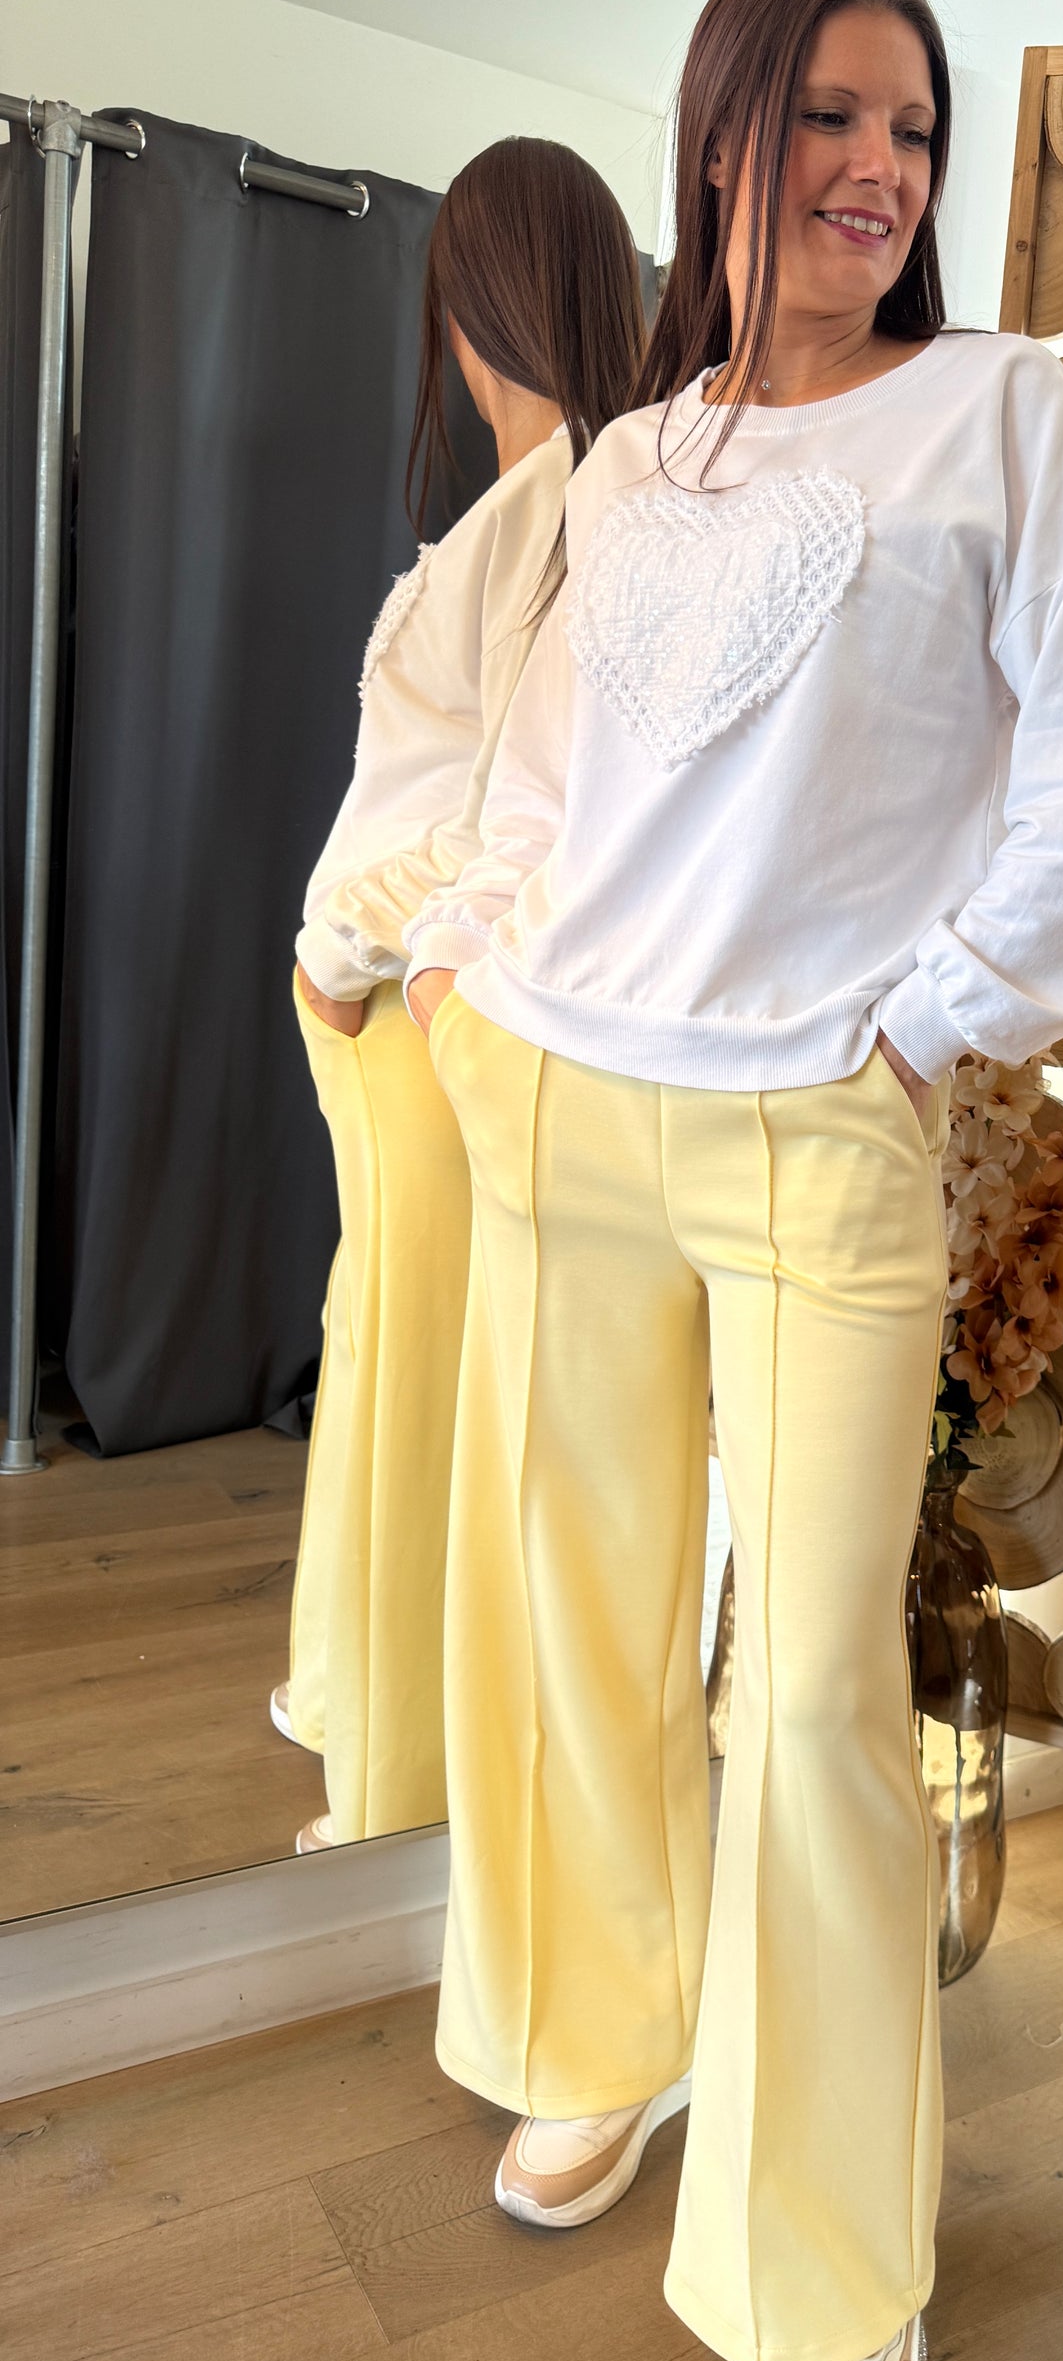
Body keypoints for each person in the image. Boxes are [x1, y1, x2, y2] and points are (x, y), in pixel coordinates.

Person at [404, 0, 1063, 2361]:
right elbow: (541, 783)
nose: (877, 167)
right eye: (830, 114)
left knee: (820, 1686)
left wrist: (933, 1012)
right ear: (723, 134)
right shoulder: (631, 459)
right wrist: (468, 971)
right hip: (558, 1094)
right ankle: (604, 2035)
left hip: (816, 1126)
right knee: (579, 1618)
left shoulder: (998, 416)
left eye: (912, 128)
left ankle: (818, 2250)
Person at [281, 138, 649, 1853]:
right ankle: (360, 1708)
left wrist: (337, 948)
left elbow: (513, 817)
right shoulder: (547, 502)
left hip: (410, 1011)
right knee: (391, 1352)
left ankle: (395, 1782)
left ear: (471, 299)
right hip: (401, 1011)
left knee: (413, 1378)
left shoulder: (560, 503)